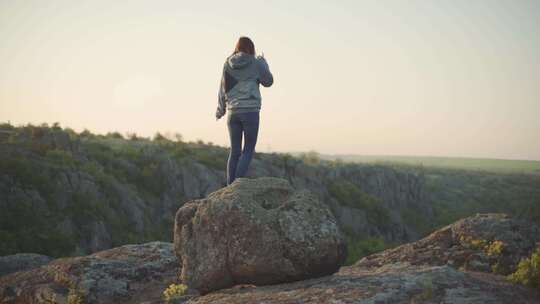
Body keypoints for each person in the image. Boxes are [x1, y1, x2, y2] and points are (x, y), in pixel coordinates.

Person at [216, 36, 273, 185]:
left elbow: (223, 88)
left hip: (232, 112)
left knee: (234, 152)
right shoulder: (256, 63)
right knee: (247, 150)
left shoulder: (227, 63)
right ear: (251, 48)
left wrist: (220, 109)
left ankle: (230, 186)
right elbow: (268, 81)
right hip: (250, 112)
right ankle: (236, 187)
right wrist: (264, 64)